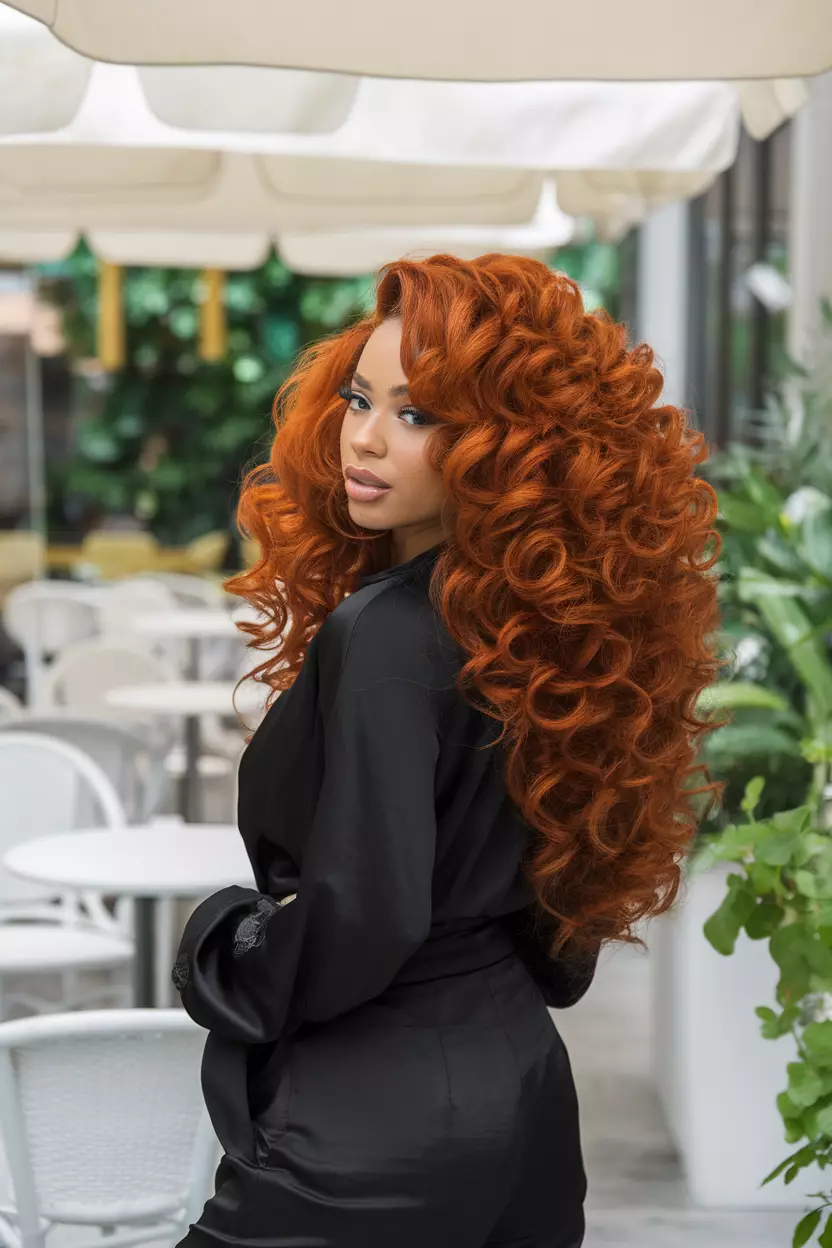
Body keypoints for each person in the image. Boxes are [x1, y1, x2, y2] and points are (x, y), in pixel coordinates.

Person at [171, 254, 723, 1248]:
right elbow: (566, 916)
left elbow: (368, 915)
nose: (366, 438)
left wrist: (222, 950)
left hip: (373, 1126)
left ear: (508, 446)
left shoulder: (385, 633)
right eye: (357, 398)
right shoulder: (549, 636)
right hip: (525, 1095)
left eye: (417, 414)